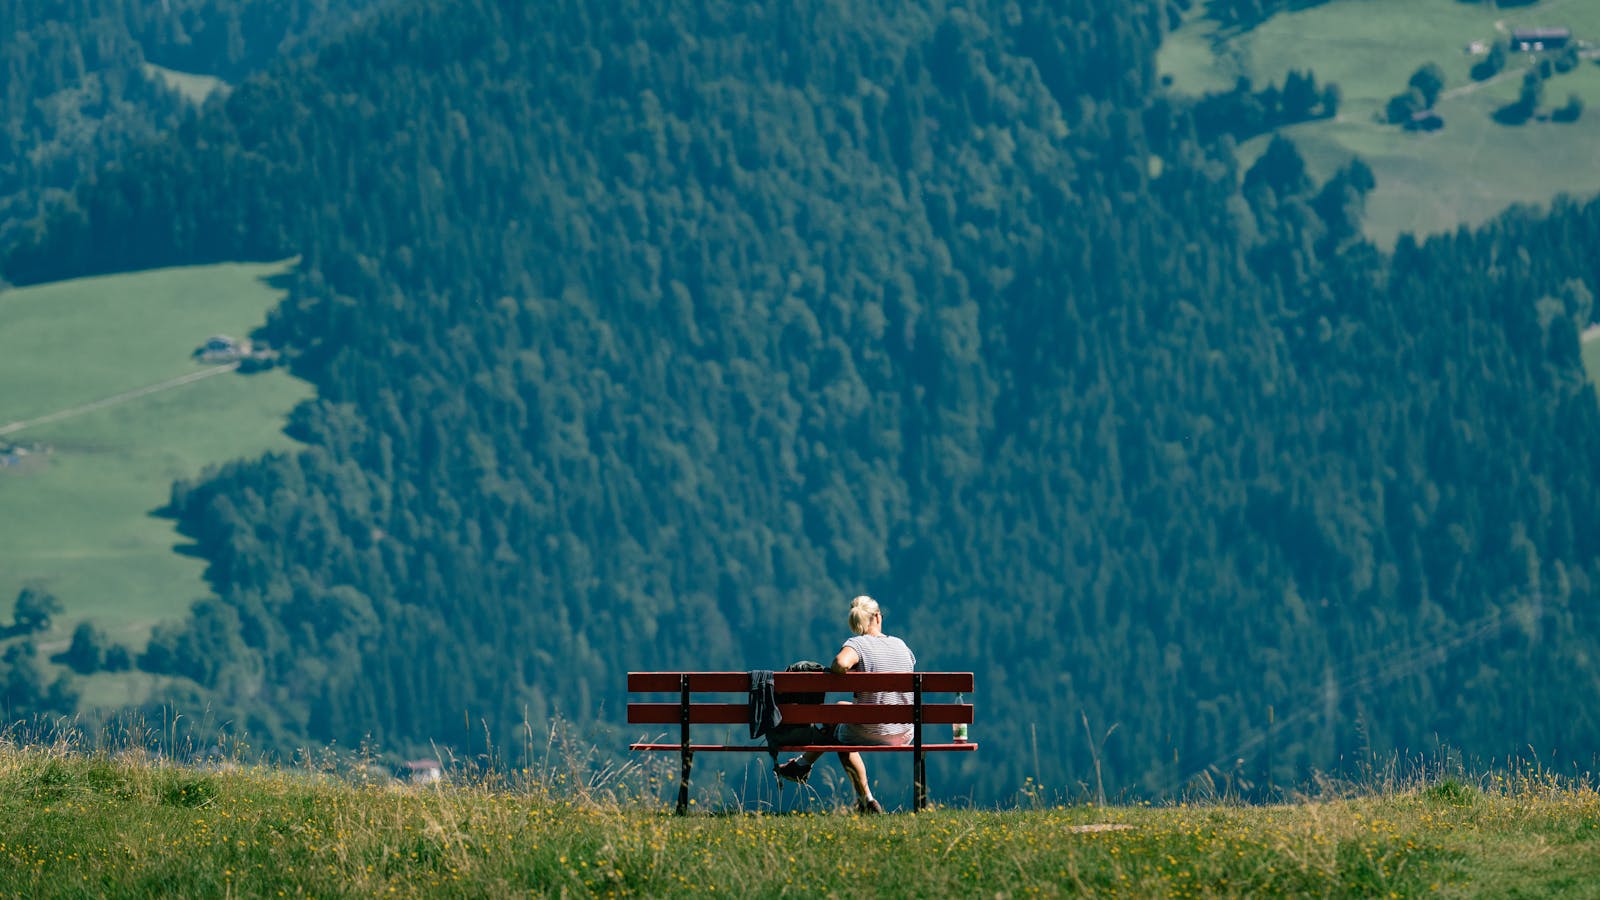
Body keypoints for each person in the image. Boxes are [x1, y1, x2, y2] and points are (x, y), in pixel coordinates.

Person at [776, 595, 916, 814]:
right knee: (840, 711)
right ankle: (802, 766)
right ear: (878, 616)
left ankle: (865, 799)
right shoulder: (901, 645)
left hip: (870, 730)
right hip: (905, 732)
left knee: (837, 726)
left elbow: (840, 664)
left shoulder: (858, 644)